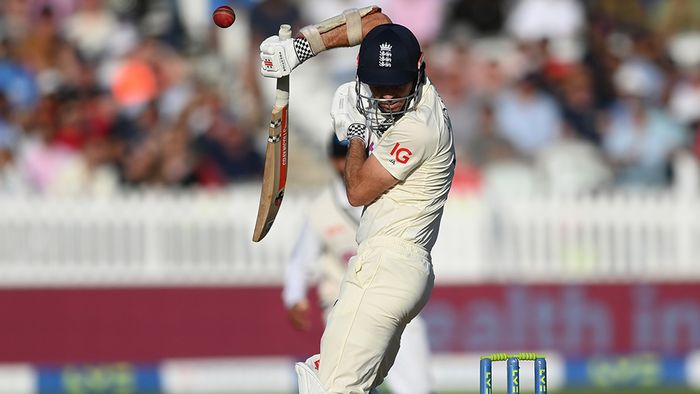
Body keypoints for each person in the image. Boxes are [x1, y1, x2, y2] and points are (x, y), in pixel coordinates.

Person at [260, 7, 455, 393]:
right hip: (401, 270)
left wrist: (353, 133)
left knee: (333, 388)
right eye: (377, 87)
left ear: (417, 73)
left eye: (395, 88)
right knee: (338, 379)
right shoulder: (407, 64)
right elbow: (374, 21)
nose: (385, 98)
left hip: (385, 266)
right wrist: (301, 48)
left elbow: (358, 191)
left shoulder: (420, 126)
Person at [283, 134, 433, 394]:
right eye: (340, 158)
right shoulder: (321, 208)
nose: (346, 164)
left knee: (417, 387)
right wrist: (294, 297)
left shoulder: (389, 192)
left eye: (350, 156)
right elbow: (300, 260)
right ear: (331, 160)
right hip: (344, 306)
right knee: (347, 387)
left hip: (392, 296)